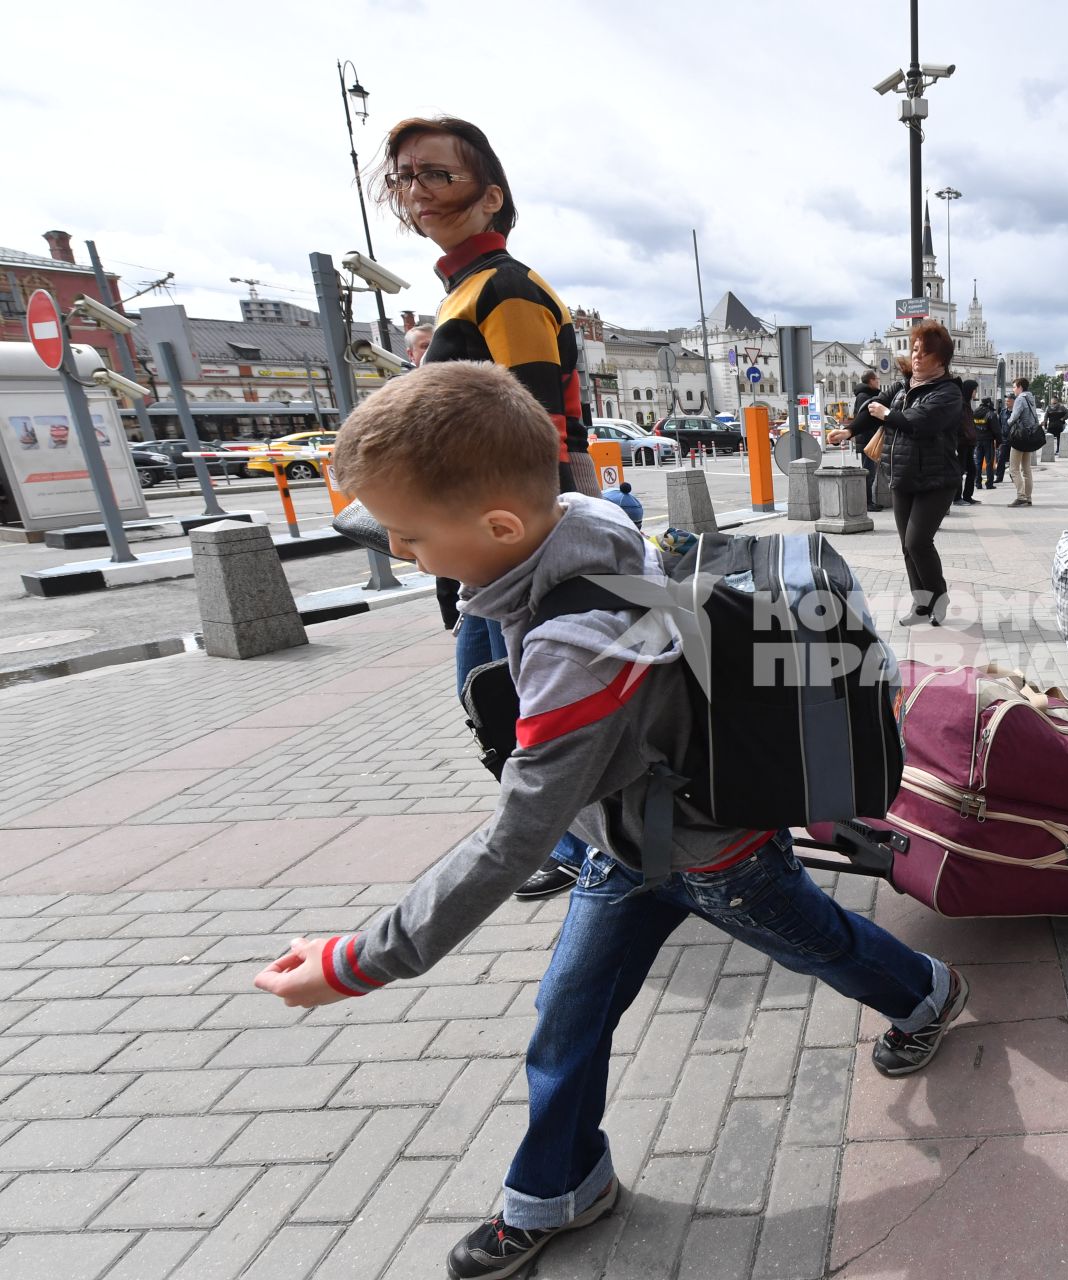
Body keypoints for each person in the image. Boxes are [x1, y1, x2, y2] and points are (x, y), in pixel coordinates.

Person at [255, 363, 968, 1280]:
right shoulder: (583, 518)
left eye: (408, 535)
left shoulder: (575, 650)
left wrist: (361, 961)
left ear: (499, 528)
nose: (401, 552)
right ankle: (558, 1188)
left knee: (818, 943)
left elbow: (514, 838)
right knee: (570, 1011)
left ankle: (926, 992)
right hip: (624, 843)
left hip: (710, 852)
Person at [376, 113, 593, 903]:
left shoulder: (504, 290)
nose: (417, 190)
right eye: (405, 175)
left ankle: (572, 843)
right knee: (508, 696)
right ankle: (572, 839)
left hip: (512, 544)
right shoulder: (466, 290)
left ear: (490, 193)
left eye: (439, 173)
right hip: (487, 538)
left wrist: (502, 555)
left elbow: (533, 429)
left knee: (504, 696)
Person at [868, 322, 965, 625]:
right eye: (914, 350)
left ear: (941, 359)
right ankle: (921, 605)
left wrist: (887, 415)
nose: (918, 357)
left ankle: (939, 596)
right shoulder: (903, 387)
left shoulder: (949, 392)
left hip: (936, 480)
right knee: (906, 547)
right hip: (903, 477)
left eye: (925, 353)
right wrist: (847, 431)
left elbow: (919, 421)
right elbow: (872, 407)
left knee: (917, 542)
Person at [828, 369, 883, 511]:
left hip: (868, 438)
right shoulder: (864, 396)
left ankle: (869, 501)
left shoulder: (866, 395)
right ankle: (867, 502)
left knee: (870, 471)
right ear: (871, 381)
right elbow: (865, 419)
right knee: (869, 472)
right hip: (868, 439)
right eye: (877, 379)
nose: (878, 381)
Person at [1005, 376, 1041, 508]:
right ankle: (1028, 497)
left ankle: (1021, 497)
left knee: (1013, 468)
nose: (1013, 390)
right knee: (1027, 470)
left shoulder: (1020, 399)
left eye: (1014, 387)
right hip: (1030, 436)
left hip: (1020, 437)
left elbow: (1014, 417)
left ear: (1020, 387)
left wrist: (1007, 422)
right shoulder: (1031, 398)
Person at [954, 378, 982, 506]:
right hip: (962, 443)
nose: (975, 393)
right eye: (975, 390)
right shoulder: (960, 404)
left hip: (969, 442)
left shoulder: (967, 404)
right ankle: (957, 497)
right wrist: (965, 435)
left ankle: (967, 496)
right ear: (970, 390)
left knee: (972, 470)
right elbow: (959, 424)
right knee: (960, 471)